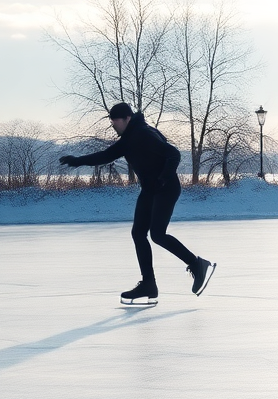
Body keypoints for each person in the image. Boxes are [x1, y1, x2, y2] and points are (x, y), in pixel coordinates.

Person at [60, 103, 215, 305]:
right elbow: (106, 155)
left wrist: (164, 177)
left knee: (157, 234)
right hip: (150, 190)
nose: (113, 125)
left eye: (115, 121)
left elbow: (173, 154)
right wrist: (78, 161)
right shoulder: (128, 139)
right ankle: (149, 284)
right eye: (111, 121)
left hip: (166, 188)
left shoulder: (143, 134)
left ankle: (196, 264)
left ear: (127, 119)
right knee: (138, 233)